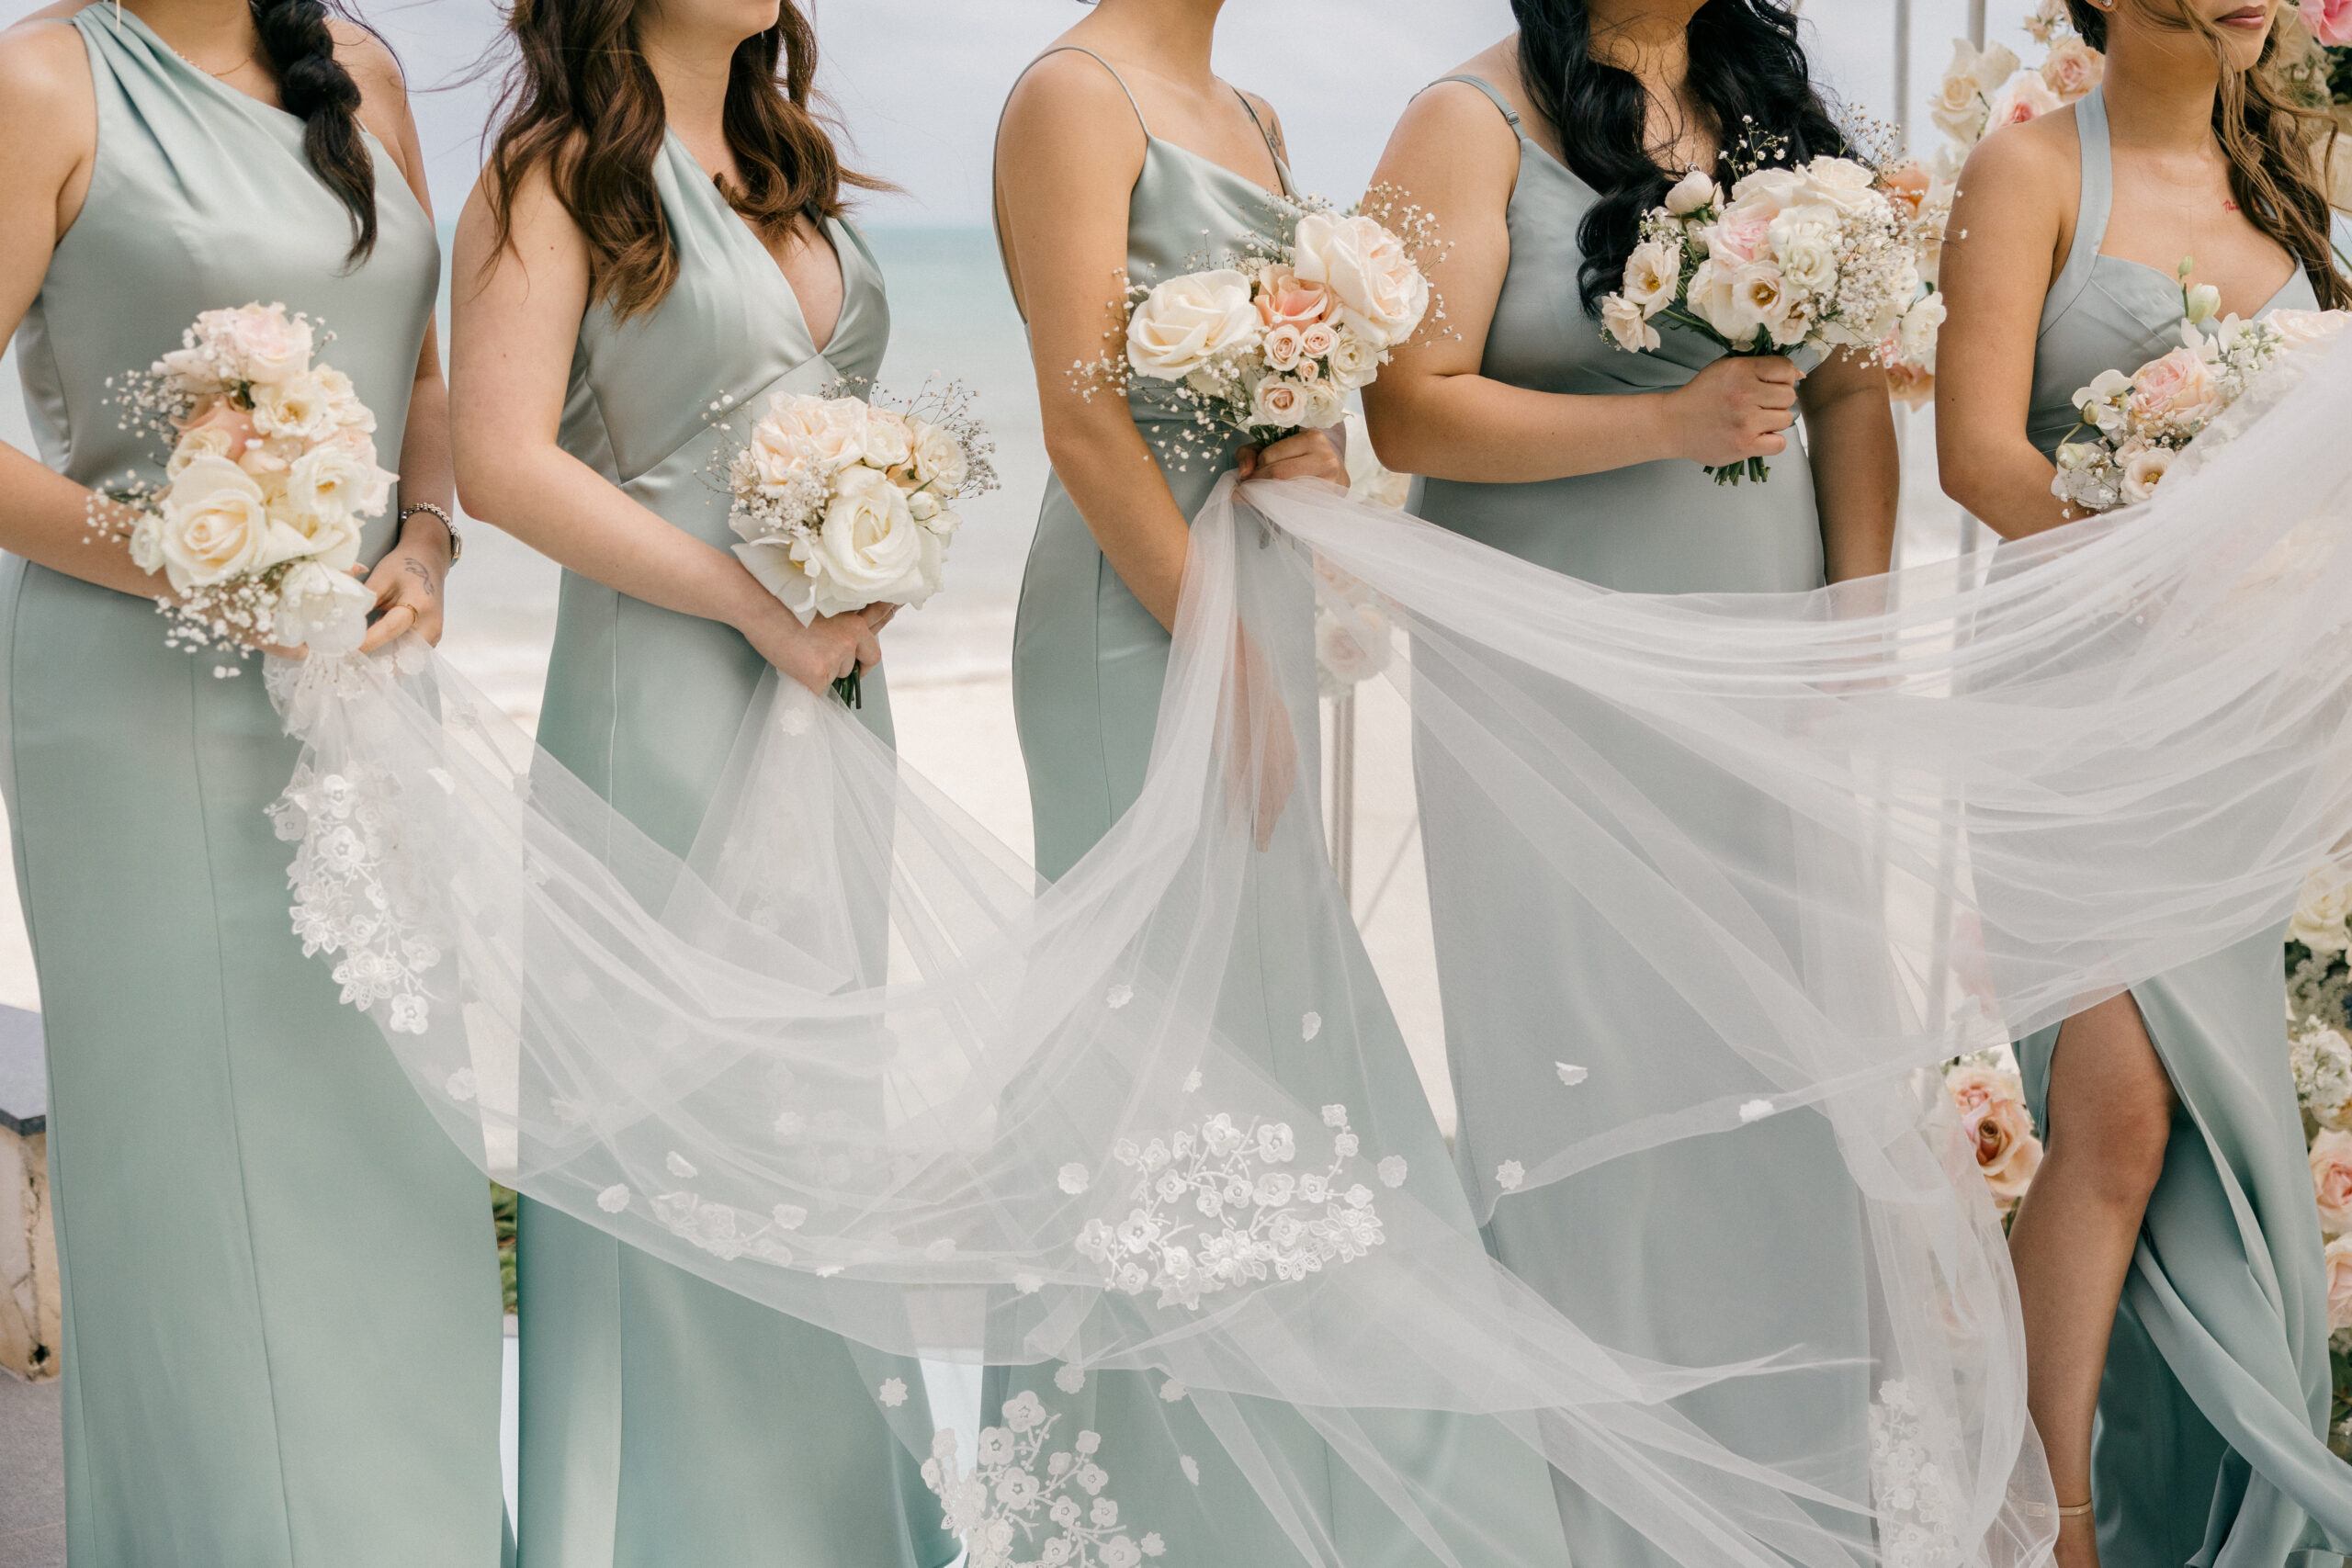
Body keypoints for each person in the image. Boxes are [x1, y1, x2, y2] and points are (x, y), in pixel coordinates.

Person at [1361, 1, 1898, 1556]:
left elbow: (1856, 386)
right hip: (1548, 690)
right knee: (1586, 1081)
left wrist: (1854, 629)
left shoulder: (1776, 102)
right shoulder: (1463, 122)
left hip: (1760, 678)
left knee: (1774, 1091)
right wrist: (1662, 420)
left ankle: (1792, 1511)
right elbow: (1407, 406)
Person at [447, 0, 950, 1562]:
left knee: (817, 1112)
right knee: (673, 1120)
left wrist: (875, 545)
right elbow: (503, 462)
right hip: (661, 689)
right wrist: (748, 601)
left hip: (833, 690)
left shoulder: (787, 159)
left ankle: (826, 1525)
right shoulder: (554, 174)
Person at [0, 0, 502, 1562]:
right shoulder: (40, 79)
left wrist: (425, 541)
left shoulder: (362, 67)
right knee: (201, 1192)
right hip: (136, 713)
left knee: (395, 1166)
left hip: (360, 691)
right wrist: (174, 557)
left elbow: (421, 378)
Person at [1937, 1, 2352, 1561]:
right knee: (2113, 1108)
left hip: (2246, 723)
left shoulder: (2298, 183)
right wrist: (2164, 579)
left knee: (2206, 1119)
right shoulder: (2032, 170)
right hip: (2078, 699)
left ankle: (2208, 1495)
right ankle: (2050, 1516)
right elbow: (1978, 457)